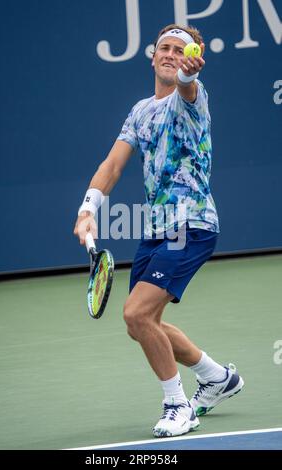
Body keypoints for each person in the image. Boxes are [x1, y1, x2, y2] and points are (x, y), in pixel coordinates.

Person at [74, 24, 244, 438]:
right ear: (152, 56)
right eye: (164, 49)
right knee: (143, 324)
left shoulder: (193, 98)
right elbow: (112, 166)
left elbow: (187, 84)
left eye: (180, 50)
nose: (171, 55)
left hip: (193, 224)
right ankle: (219, 377)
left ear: (192, 58)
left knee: (136, 312)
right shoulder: (140, 110)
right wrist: (87, 208)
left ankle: (177, 405)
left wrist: (189, 74)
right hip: (155, 229)